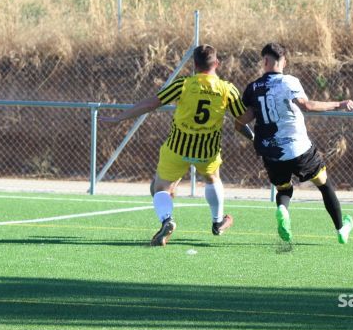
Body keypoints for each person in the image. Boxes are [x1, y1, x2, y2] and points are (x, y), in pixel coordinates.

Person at [100, 44, 250, 246]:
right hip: (207, 150)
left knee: (159, 187)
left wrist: (119, 118)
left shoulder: (183, 85)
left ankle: (167, 220)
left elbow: (150, 104)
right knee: (212, 178)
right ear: (217, 63)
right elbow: (241, 121)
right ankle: (217, 221)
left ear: (194, 65)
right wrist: (256, 138)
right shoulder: (227, 90)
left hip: (178, 148)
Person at [235, 42, 353, 244]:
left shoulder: (253, 88)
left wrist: (255, 139)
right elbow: (307, 105)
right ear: (284, 61)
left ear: (264, 61)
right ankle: (340, 229)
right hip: (298, 148)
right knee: (323, 184)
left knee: (283, 189)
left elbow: (240, 122)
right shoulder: (289, 82)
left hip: (271, 153)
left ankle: (283, 209)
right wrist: (339, 103)